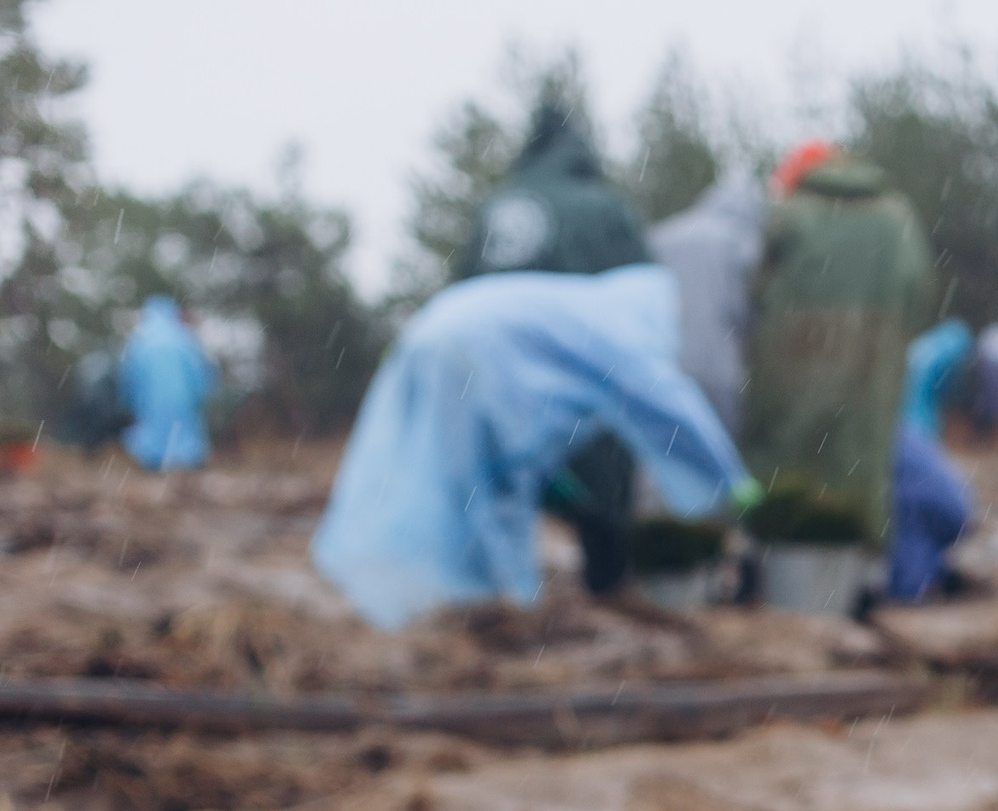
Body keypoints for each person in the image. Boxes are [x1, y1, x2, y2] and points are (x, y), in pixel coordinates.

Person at [311, 265, 750, 630]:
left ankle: (440, 606)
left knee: (441, 486)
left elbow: (525, 444)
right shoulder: (620, 328)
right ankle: (486, 612)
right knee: (474, 494)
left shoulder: (579, 307)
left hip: (430, 336)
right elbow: (670, 404)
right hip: (466, 355)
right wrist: (731, 481)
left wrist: (559, 489)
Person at [457, 100, 655, 601]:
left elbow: (457, 294)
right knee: (601, 491)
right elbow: (642, 294)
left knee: (497, 486)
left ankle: (492, 601)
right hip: (576, 382)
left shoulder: (495, 207)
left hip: (492, 383)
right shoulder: (603, 208)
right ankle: (606, 588)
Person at [740, 142, 934, 545]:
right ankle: (855, 574)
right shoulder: (896, 215)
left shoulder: (788, 213)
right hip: (872, 365)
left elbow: (753, 289)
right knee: (858, 465)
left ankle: (771, 562)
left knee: (781, 459)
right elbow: (920, 293)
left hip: (791, 356)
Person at [649, 170, 767, 435]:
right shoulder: (745, 243)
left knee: (662, 453)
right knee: (715, 457)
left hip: (664, 365)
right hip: (720, 371)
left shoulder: (664, 235)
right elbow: (747, 312)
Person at [885, 318, 976, 602]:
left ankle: (910, 591)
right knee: (916, 530)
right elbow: (938, 390)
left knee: (911, 526)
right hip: (953, 507)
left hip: (906, 429)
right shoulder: (942, 353)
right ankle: (914, 590)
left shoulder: (919, 351)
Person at [118, 296, 214, 471]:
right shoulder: (182, 338)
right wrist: (200, 397)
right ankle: (186, 471)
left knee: (153, 441)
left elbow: (128, 380)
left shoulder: (138, 341)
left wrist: (130, 402)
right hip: (182, 401)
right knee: (185, 442)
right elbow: (200, 375)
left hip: (150, 403)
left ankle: (155, 470)